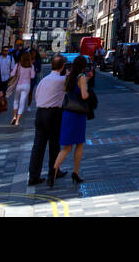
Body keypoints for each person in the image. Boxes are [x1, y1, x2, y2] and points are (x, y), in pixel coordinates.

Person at [51, 56, 96, 186]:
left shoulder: (70, 76)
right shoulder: (80, 77)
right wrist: (88, 92)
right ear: (84, 66)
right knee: (79, 144)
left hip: (67, 113)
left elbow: (69, 89)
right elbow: (83, 95)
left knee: (67, 147)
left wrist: (87, 79)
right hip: (78, 114)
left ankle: (53, 171)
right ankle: (75, 173)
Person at [28, 55, 67, 186]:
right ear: (62, 67)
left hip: (40, 113)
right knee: (54, 145)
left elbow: (36, 96)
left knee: (38, 146)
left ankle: (33, 176)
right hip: (53, 113)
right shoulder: (62, 80)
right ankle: (54, 171)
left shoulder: (43, 80)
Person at [11, 50, 36, 126]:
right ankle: (18, 121)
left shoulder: (18, 64)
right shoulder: (31, 66)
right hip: (26, 85)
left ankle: (14, 116)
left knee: (16, 100)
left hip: (18, 85)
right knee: (22, 103)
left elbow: (12, 74)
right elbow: (32, 76)